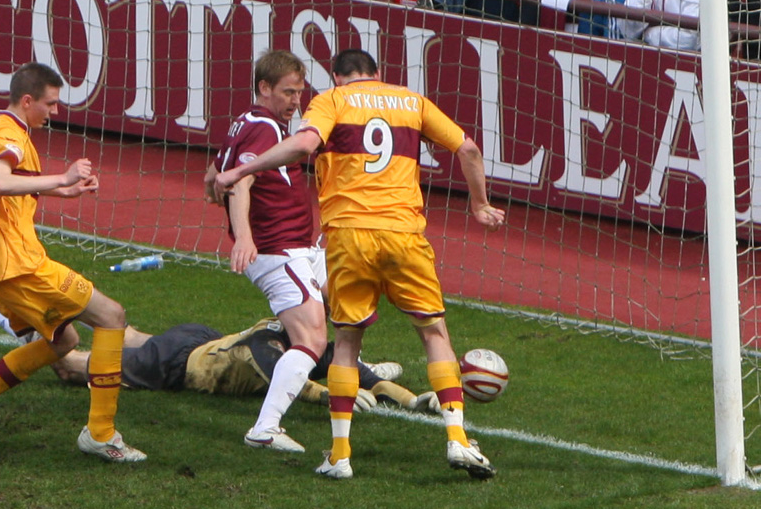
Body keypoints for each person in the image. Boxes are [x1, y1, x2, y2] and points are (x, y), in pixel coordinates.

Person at [214, 48, 505, 481]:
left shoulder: (332, 101)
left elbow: (306, 143)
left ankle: (339, 454)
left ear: (336, 77)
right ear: (378, 74)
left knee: (346, 339)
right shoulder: (411, 101)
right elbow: (469, 148)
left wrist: (242, 171)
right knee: (434, 333)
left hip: (348, 237)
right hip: (405, 234)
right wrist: (479, 204)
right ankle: (458, 440)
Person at [0, 63, 146, 462]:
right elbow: (0, 179)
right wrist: (60, 176)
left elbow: (1, 193)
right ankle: (101, 433)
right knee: (111, 316)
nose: (54, 111)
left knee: (64, 341)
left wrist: (64, 192)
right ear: (28, 100)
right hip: (18, 265)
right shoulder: (9, 133)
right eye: (50, 103)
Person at [206, 50, 329, 452]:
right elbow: (241, 183)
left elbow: (216, 176)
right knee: (311, 337)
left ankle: (351, 368)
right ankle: (266, 426)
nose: (296, 101)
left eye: (299, 92)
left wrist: (215, 189)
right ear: (264, 88)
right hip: (278, 250)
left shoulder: (248, 121)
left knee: (351, 286)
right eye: (288, 93)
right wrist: (243, 236)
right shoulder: (265, 129)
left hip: (299, 246)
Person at [52, 318, 441, 414]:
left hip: (202, 340)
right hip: (180, 363)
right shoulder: (266, 346)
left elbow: (370, 379)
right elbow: (290, 385)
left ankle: (90, 314)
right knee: (72, 367)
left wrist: (413, 401)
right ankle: (34, 325)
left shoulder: (309, 342)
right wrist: (331, 395)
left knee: (130, 334)